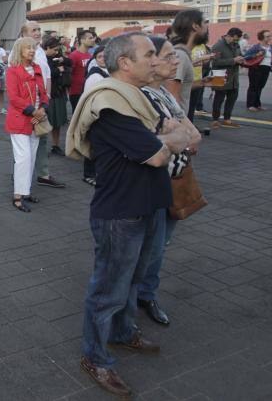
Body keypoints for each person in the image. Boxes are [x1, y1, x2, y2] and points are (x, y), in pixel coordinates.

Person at [66, 32, 190, 397]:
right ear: (124, 63)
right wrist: (169, 139)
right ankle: (95, 357)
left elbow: (183, 137)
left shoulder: (137, 99)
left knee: (133, 280)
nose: (156, 60)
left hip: (147, 204)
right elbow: (158, 154)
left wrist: (167, 137)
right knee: (109, 289)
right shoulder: (110, 105)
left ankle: (122, 333)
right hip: (120, 213)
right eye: (149, 54)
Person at [138, 36, 201, 327]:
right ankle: (139, 295)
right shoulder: (141, 96)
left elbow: (192, 134)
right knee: (150, 246)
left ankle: (145, 293)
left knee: (161, 244)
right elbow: (158, 141)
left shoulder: (163, 92)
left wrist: (179, 135)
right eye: (168, 56)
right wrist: (178, 136)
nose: (176, 62)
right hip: (155, 182)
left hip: (176, 177)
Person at [6, 37, 48, 213]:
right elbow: (14, 98)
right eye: (27, 48)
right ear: (19, 51)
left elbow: (44, 93)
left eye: (33, 48)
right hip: (20, 120)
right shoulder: (13, 71)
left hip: (35, 120)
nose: (31, 50)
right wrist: (34, 111)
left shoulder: (37, 68)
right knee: (23, 158)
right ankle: (18, 196)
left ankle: (25, 191)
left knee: (31, 157)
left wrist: (43, 109)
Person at [22, 21, 65, 189]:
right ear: (24, 33)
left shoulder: (39, 50)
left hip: (42, 103)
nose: (38, 32)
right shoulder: (19, 51)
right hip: (29, 107)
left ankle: (42, 174)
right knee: (24, 141)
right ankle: (20, 175)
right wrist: (32, 107)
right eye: (34, 30)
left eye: (39, 29)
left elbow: (46, 76)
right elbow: (19, 82)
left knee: (42, 137)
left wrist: (46, 100)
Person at [167, 9, 213, 122]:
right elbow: (171, 97)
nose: (207, 27)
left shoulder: (182, 54)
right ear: (195, 26)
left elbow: (180, 88)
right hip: (175, 124)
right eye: (204, 22)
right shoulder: (180, 55)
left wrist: (201, 83)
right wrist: (184, 126)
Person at [81, 45, 109, 186]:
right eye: (99, 56)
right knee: (93, 145)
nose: (102, 59)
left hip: (106, 114)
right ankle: (89, 174)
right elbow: (89, 98)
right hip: (97, 115)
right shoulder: (95, 75)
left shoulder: (109, 71)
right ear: (95, 58)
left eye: (105, 56)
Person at [210, 27, 244, 128]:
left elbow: (240, 55)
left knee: (232, 98)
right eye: (235, 39)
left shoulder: (236, 44)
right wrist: (233, 60)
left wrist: (242, 59)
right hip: (220, 76)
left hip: (233, 78)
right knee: (219, 99)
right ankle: (215, 120)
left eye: (238, 40)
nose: (236, 42)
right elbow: (215, 62)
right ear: (228, 36)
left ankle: (227, 119)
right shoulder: (218, 46)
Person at [43, 36, 71, 155]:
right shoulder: (42, 58)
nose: (56, 52)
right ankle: (42, 147)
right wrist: (59, 70)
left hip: (58, 93)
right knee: (45, 122)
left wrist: (62, 60)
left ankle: (55, 145)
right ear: (47, 47)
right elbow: (49, 73)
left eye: (57, 49)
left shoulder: (57, 57)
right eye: (54, 49)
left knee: (57, 122)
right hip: (47, 95)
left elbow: (70, 62)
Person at [244, 29, 271, 111]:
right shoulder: (256, 47)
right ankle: (250, 105)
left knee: (260, 87)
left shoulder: (270, 47)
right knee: (253, 86)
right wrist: (257, 54)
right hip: (256, 68)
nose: (269, 38)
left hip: (266, 68)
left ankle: (257, 104)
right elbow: (246, 56)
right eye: (267, 36)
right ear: (262, 37)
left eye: (270, 36)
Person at [68, 30, 95, 112]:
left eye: (93, 38)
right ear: (82, 40)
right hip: (76, 92)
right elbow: (69, 73)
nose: (93, 40)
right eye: (90, 38)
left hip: (88, 90)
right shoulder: (73, 55)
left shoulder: (90, 55)